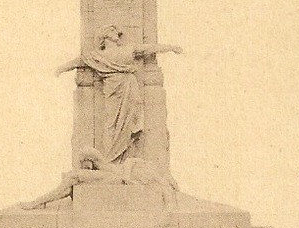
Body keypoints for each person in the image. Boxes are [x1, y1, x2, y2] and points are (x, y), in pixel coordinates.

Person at [56, 25, 182, 162]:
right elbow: (78, 62)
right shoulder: (97, 56)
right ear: (106, 36)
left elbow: (149, 48)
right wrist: (60, 69)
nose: (118, 34)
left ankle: (123, 158)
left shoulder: (127, 50)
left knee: (129, 121)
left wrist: (170, 48)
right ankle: (110, 160)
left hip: (129, 88)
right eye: (114, 31)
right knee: (111, 123)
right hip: (112, 91)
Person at [21, 148, 177, 210]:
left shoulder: (149, 174)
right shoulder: (138, 165)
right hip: (112, 176)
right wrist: (128, 176)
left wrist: (128, 179)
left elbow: (162, 187)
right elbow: (130, 163)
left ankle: (38, 202)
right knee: (72, 177)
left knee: (72, 177)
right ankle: (39, 202)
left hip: (113, 179)